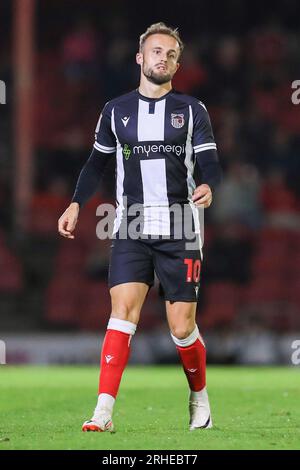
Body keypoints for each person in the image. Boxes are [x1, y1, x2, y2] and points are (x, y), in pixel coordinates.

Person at [58, 22, 222, 432]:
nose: (161, 58)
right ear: (140, 58)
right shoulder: (115, 111)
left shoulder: (192, 110)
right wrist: (77, 203)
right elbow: (96, 163)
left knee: (182, 328)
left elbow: (211, 164)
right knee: (122, 314)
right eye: (155, 51)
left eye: (169, 54)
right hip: (130, 224)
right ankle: (103, 411)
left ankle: (198, 396)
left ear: (177, 64)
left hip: (181, 225)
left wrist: (208, 185)